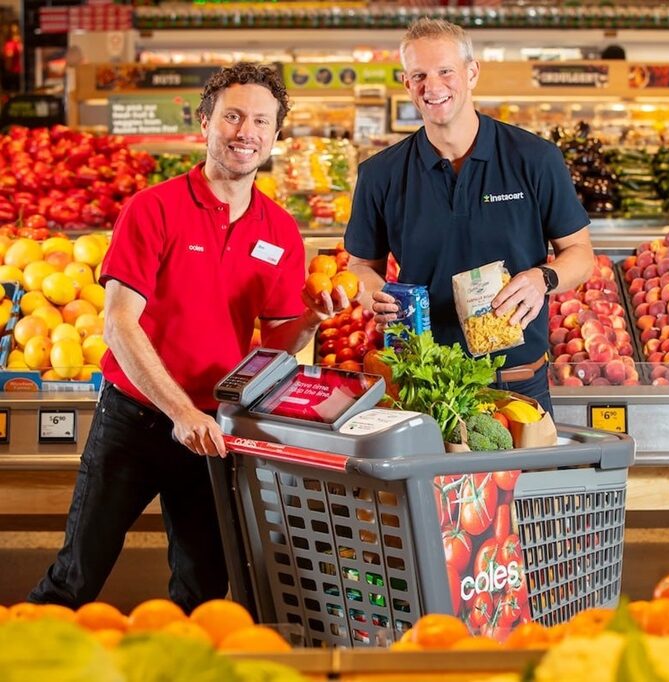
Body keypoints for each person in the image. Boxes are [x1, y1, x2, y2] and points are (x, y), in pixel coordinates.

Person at [29, 63, 349, 612]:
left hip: (213, 430)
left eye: (260, 122)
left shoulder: (279, 231)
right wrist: (180, 412)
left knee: (203, 589)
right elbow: (118, 322)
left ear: (274, 136)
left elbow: (275, 345)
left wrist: (313, 320)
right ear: (205, 123)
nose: (245, 131)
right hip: (133, 421)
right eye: (232, 116)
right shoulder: (154, 208)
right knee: (75, 576)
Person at [345, 18, 593, 415]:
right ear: (407, 84)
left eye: (445, 71)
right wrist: (375, 293)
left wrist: (542, 278)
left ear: (472, 73)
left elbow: (581, 253)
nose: (433, 86)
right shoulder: (380, 173)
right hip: (426, 380)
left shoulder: (534, 158)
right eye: (419, 75)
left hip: (516, 380)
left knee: (521, 479)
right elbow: (360, 266)